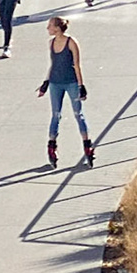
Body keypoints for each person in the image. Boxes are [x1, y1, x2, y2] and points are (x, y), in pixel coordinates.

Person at [38, 16, 94, 168]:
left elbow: (76, 65)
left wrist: (81, 86)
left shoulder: (71, 42)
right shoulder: (51, 43)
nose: (47, 29)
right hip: (56, 82)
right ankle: (51, 146)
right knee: (56, 114)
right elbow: (53, 64)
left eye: (50, 26)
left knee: (78, 114)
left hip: (71, 82)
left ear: (57, 28)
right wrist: (46, 83)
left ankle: (87, 146)